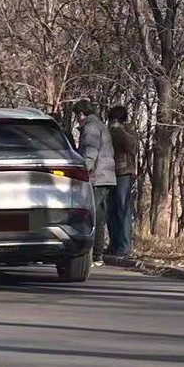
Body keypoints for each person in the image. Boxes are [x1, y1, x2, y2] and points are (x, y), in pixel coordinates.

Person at [73, 100, 116, 262]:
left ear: (81, 114)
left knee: (93, 215)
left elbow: (90, 153)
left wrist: (82, 171)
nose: (77, 120)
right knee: (99, 215)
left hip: (97, 177)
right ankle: (98, 253)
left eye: (77, 116)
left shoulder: (90, 128)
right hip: (107, 177)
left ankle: (95, 254)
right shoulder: (100, 126)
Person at [107, 105, 139, 257]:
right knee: (111, 211)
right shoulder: (111, 131)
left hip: (124, 173)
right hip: (111, 173)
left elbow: (132, 148)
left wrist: (119, 130)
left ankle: (124, 246)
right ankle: (114, 244)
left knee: (123, 210)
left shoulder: (127, 131)